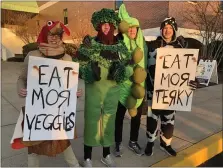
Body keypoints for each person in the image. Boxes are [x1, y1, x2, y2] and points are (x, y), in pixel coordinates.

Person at [15, 21, 81, 167]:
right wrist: (21, 89)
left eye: (57, 35)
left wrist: (74, 93)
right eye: (50, 34)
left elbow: (68, 85)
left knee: (62, 140)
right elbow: (22, 78)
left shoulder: (67, 58)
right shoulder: (33, 56)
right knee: (34, 143)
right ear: (45, 35)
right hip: (37, 109)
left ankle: (74, 165)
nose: (53, 38)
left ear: (61, 37)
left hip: (58, 110)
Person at [75, 8, 131, 167]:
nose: (106, 27)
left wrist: (121, 72)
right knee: (91, 123)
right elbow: (78, 65)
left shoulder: (120, 46)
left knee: (108, 123)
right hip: (94, 92)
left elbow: (129, 67)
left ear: (113, 27)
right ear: (99, 26)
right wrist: (88, 72)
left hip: (112, 93)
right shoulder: (90, 44)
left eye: (109, 24)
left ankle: (106, 155)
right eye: (103, 24)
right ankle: (87, 158)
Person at [145, 17, 198, 157]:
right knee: (152, 119)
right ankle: (150, 142)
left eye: (170, 28)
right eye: (165, 28)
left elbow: (187, 68)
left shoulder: (181, 47)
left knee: (168, 120)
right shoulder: (153, 45)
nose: (167, 30)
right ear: (161, 29)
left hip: (171, 92)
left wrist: (193, 80)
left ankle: (165, 144)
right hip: (153, 90)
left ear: (174, 30)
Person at [114, 4, 148, 157]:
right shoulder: (119, 43)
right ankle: (117, 143)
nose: (132, 30)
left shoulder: (143, 45)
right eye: (130, 27)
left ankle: (133, 141)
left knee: (136, 118)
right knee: (119, 117)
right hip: (122, 86)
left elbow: (154, 57)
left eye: (135, 27)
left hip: (138, 87)